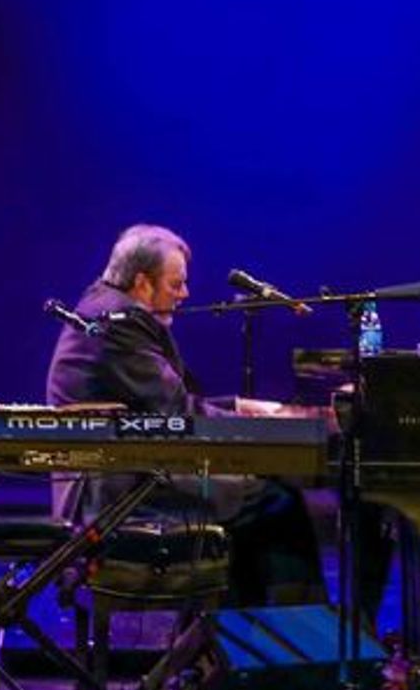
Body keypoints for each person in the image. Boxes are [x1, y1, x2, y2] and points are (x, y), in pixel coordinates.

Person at [46, 223, 327, 606]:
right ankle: (284, 632)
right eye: (176, 284)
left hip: (132, 471)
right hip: (124, 490)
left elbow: (165, 404)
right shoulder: (120, 323)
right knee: (275, 500)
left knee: (263, 498)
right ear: (142, 282)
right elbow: (178, 413)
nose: (185, 294)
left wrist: (239, 407)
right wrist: (263, 426)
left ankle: (239, 631)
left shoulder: (104, 307)